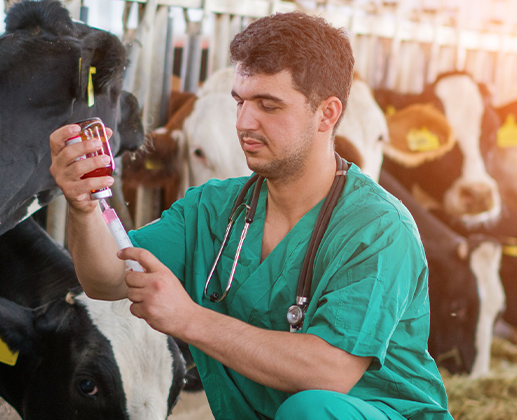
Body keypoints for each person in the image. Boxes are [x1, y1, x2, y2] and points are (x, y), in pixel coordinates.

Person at [48, 12, 451, 420]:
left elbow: (329, 371)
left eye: (268, 105)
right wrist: (83, 207)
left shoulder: (378, 228)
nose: (243, 123)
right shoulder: (211, 210)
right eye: (240, 101)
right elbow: (108, 279)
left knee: (310, 409)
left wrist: (189, 319)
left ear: (326, 114)